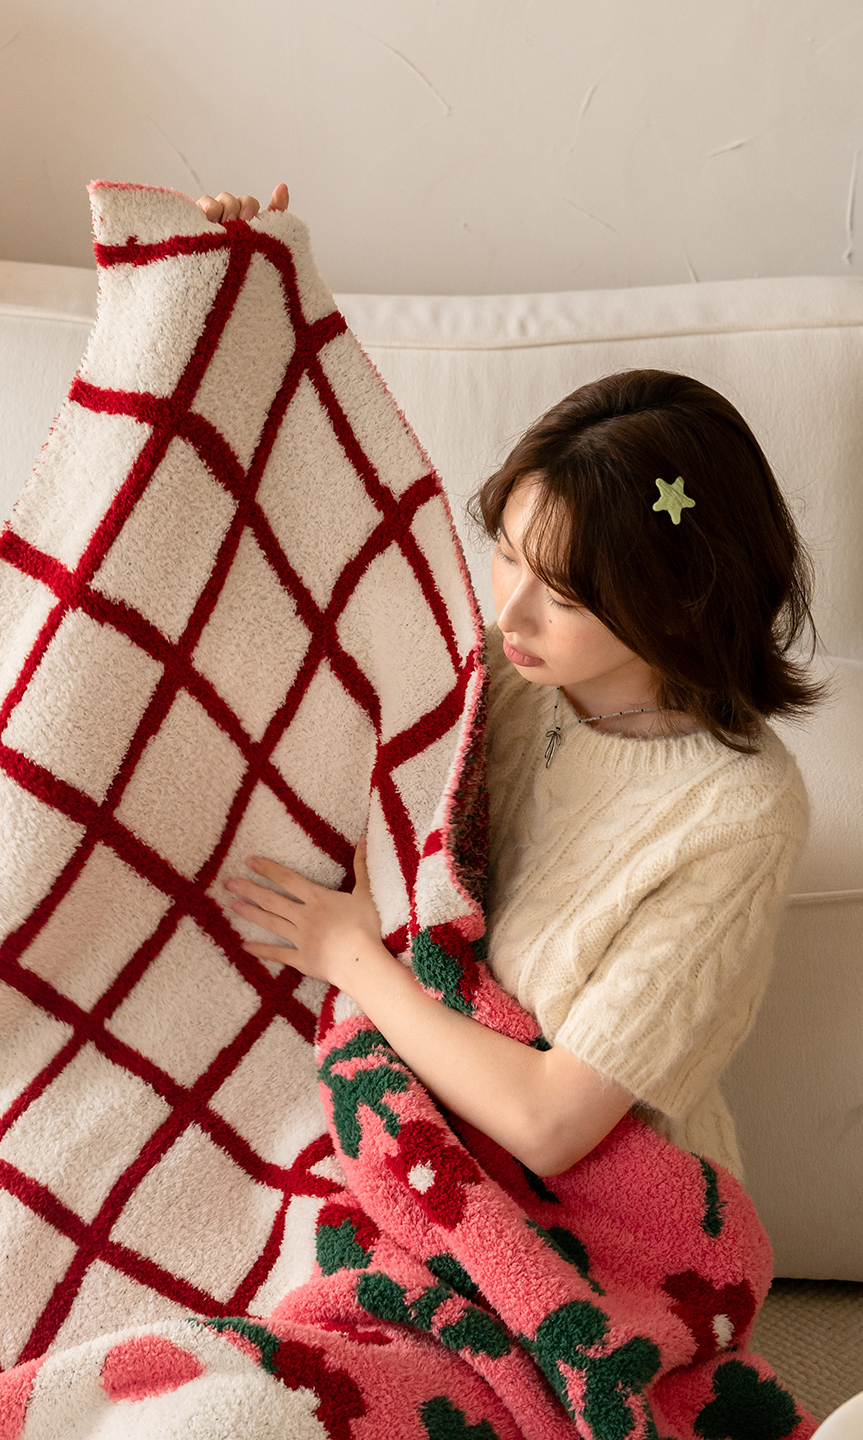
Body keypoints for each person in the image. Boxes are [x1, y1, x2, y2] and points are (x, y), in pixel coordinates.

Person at [208, 186, 820, 1181]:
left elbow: (550, 1124)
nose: (512, 615)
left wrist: (353, 959)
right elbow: (278, 556)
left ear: (677, 602)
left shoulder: (738, 815)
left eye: (565, 596)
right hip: (398, 1119)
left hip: (576, 1211)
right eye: (506, 554)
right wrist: (236, 278)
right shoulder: (492, 665)